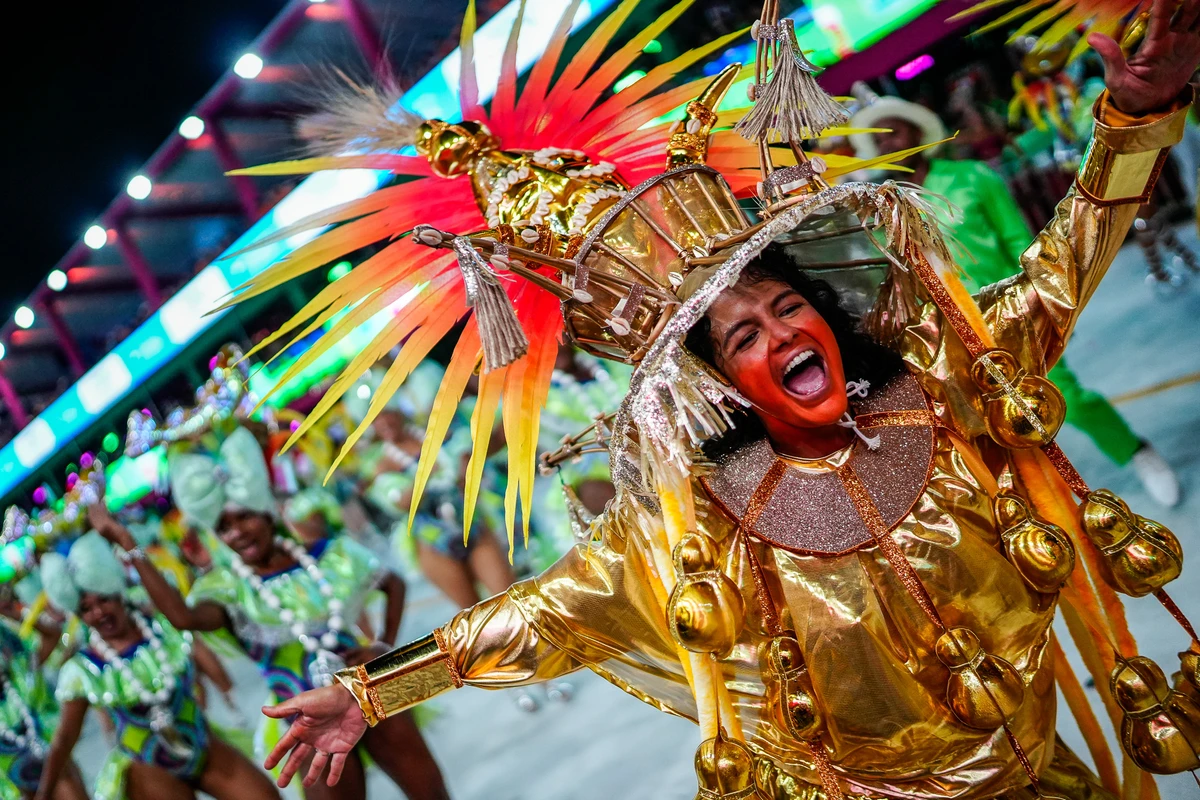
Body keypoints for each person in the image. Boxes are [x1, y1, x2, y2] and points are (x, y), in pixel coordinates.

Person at [224, 1, 1200, 796]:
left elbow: (1056, 274)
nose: (779, 334)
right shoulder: (701, 527)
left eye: (786, 307)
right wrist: (374, 688)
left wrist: (1137, 121)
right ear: (720, 377)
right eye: (742, 334)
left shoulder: (931, 387)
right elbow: (543, 614)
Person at [850, 92, 1184, 507]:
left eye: (893, 131)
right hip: (952, 337)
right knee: (990, 431)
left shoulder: (971, 177)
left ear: (916, 131)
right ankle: (1041, 511)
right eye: (877, 140)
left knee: (1069, 400)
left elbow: (1017, 241)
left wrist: (1051, 304)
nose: (887, 144)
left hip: (1015, 312)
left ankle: (1136, 452)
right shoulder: (887, 214)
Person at [103, 426, 450, 800]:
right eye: (223, 527)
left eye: (244, 518)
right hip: (309, 722)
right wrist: (131, 548)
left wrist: (382, 644)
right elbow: (183, 619)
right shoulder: (228, 590)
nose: (236, 534)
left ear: (267, 511)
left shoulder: (323, 555)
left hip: (369, 690)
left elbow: (392, 582)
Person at [35, 532, 279, 800]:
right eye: (86, 609)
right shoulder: (83, 669)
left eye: (103, 600)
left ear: (117, 592)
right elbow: (64, 740)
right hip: (148, 768)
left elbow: (198, 650)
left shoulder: (162, 628)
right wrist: (44, 794)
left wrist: (225, 692)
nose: (99, 612)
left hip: (202, 746)